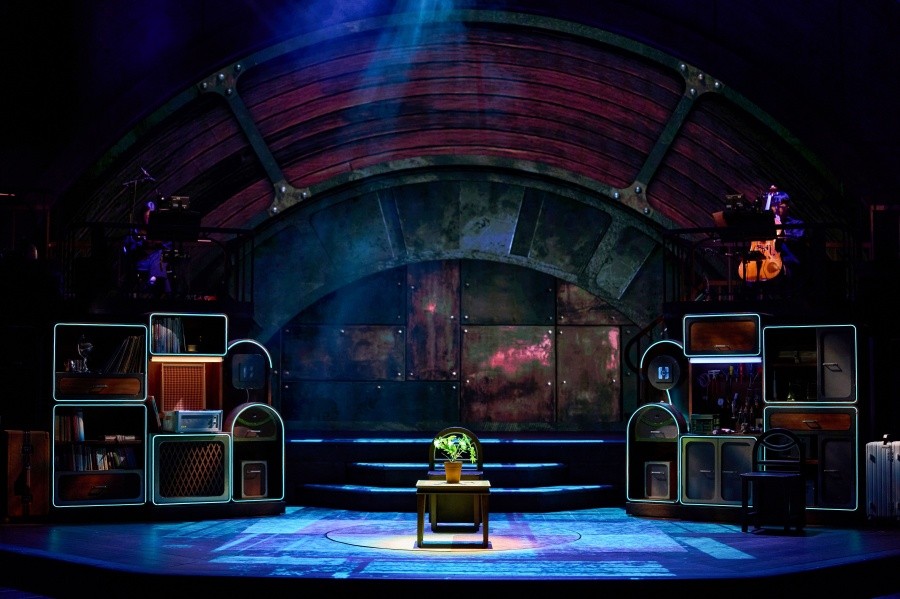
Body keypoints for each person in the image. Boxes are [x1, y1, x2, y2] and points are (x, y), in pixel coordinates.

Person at [123, 199, 172, 296]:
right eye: (147, 216)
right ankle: (160, 288)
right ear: (143, 216)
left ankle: (155, 282)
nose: (150, 219)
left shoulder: (161, 230)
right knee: (157, 258)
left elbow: (168, 245)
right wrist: (141, 242)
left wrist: (159, 242)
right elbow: (129, 246)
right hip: (142, 260)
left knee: (159, 256)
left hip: (157, 260)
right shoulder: (136, 229)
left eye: (152, 216)